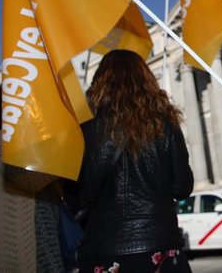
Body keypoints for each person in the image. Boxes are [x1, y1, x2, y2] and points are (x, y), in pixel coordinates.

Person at [70, 49, 193, 272]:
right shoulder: (165, 124)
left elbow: (77, 197)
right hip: (160, 246)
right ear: (145, 78)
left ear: (100, 81)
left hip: (106, 249)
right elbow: (182, 187)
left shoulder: (85, 129)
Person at [0, 87, 65, 272]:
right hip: (16, 241)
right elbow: (27, 177)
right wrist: (64, 155)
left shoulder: (33, 144)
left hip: (45, 238)